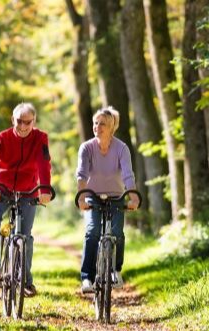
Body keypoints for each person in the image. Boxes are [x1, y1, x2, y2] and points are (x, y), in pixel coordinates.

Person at [0, 102, 52, 297]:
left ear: (34, 121)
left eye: (27, 122)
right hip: (1, 189)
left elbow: (44, 164)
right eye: (19, 121)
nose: (23, 126)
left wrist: (44, 189)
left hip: (28, 191)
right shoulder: (2, 138)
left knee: (25, 236)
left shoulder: (40, 138)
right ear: (13, 120)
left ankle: (26, 281)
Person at [76, 106, 140, 293]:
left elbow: (128, 175)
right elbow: (81, 175)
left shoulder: (122, 148)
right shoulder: (87, 148)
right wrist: (81, 196)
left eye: (102, 124)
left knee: (117, 234)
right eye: (95, 123)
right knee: (92, 231)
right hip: (93, 197)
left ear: (112, 128)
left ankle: (116, 270)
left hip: (116, 196)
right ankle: (87, 277)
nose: (97, 127)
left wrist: (133, 197)